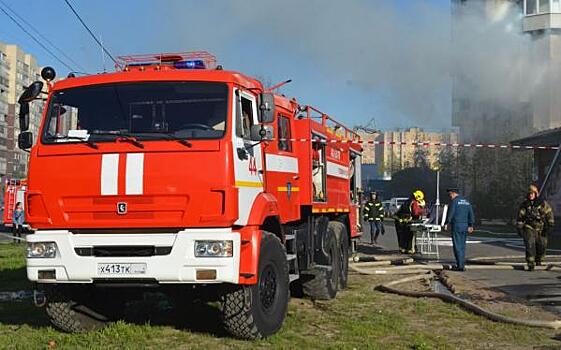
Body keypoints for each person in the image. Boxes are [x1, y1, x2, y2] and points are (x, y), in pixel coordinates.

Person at [516, 184, 554, 271]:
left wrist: (550, 225)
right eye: (529, 193)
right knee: (530, 244)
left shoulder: (543, 204)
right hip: (529, 227)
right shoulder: (525, 205)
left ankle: (539, 259)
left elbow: (549, 213)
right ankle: (530, 262)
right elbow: (520, 217)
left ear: (536, 194)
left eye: (532, 193)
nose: (530, 195)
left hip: (541, 227)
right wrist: (519, 228)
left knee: (542, 245)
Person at [444, 188, 474, 271]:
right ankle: (462, 264)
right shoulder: (467, 202)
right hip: (465, 226)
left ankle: (460, 266)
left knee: (457, 246)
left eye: (450, 194)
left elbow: (451, 213)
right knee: (462, 246)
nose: (449, 196)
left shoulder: (454, 202)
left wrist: (447, 223)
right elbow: (471, 213)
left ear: (453, 193)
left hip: (456, 225)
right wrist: (471, 225)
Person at [394, 190, 426, 254]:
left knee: (402, 236)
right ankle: (410, 249)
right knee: (410, 236)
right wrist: (423, 211)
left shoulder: (407, 201)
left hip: (399, 221)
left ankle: (403, 249)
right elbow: (415, 212)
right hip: (406, 221)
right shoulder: (414, 203)